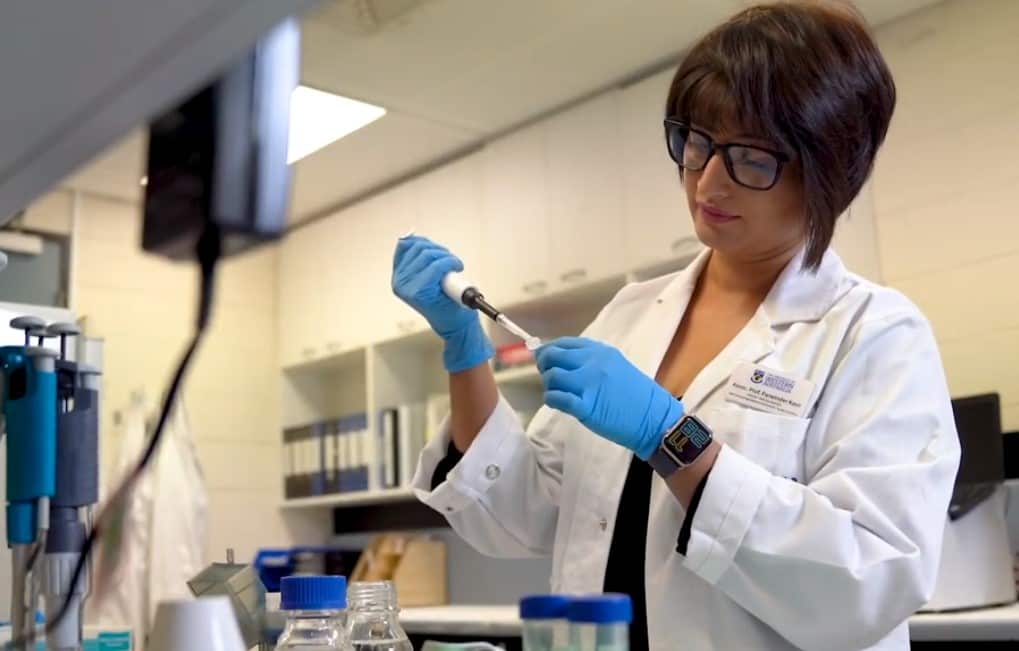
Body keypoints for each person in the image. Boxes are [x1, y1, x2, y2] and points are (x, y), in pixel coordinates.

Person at [391, 2, 960, 649]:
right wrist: (464, 349)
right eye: (695, 141)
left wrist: (671, 437)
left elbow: (868, 579)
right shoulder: (634, 312)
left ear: (829, 168)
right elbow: (523, 514)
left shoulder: (874, 332)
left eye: (750, 157)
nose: (707, 181)